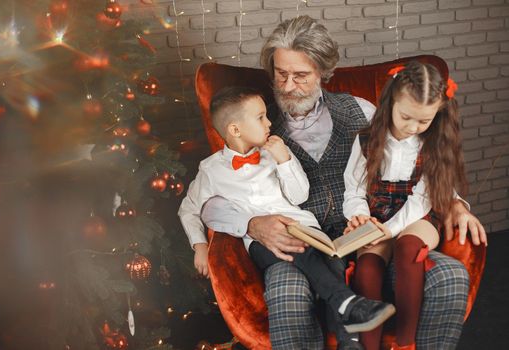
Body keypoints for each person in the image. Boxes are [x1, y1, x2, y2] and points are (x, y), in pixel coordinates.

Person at [200, 15, 487, 350]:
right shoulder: (254, 126)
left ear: (323, 72)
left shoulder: (361, 112)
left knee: (449, 276)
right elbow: (215, 193)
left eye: (301, 76)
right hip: (299, 250)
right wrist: (251, 222)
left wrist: (453, 202)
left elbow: (413, 161)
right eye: (281, 74)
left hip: (370, 238)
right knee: (285, 290)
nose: (289, 85)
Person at [178, 86, 395, 336]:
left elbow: (299, 195)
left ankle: (349, 338)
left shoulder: (276, 151)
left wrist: (284, 161)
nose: (269, 122)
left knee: (333, 263)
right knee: (299, 251)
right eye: (260, 117)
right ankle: (348, 303)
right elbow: (189, 209)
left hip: (304, 227)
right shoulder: (211, 170)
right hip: (263, 242)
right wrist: (200, 245)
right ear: (235, 130)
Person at [343, 61, 487, 350]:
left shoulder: (434, 143)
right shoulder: (366, 140)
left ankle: (405, 343)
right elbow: (354, 189)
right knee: (367, 268)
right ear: (391, 103)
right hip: (378, 214)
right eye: (406, 117)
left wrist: (391, 229)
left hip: (420, 215)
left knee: (409, 248)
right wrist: (359, 217)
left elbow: (423, 198)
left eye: (423, 121)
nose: (412, 127)